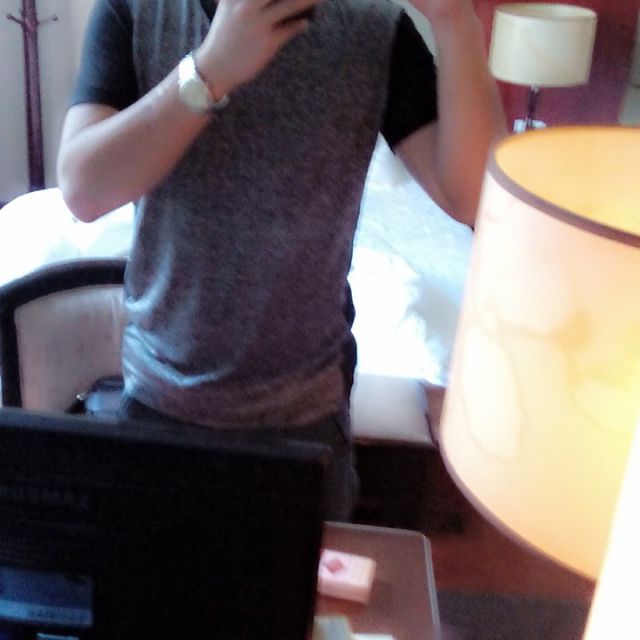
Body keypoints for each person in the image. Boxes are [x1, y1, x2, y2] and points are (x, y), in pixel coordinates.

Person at [57, 0, 506, 521]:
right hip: (159, 398)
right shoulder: (136, 11)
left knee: (302, 578)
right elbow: (83, 191)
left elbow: (476, 198)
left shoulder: (374, 25)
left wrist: (455, 22)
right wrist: (210, 71)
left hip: (304, 413)